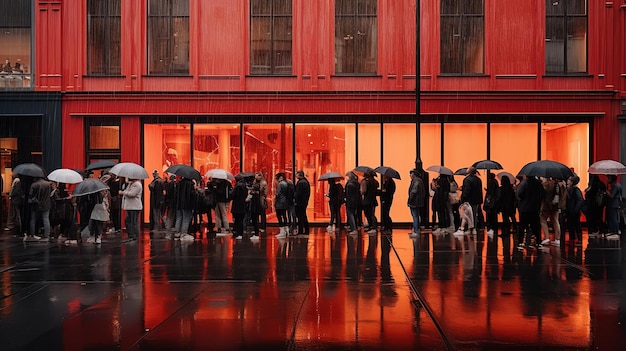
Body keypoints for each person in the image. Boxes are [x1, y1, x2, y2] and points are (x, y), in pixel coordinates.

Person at [516, 174, 543, 249]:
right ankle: (538, 242)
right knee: (536, 226)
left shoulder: (524, 183)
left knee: (522, 226)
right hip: (535, 208)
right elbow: (542, 194)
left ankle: (520, 242)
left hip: (524, 207)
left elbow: (519, 194)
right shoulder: (538, 184)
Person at [26, 176, 52, 241]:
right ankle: (47, 235)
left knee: (33, 219)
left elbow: (31, 194)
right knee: (46, 219)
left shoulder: (34, 185)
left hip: (36, 205)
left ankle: (32, 234)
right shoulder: (47, 184)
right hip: (46, 204)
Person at [539, 177, 562, 246]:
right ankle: (557, 239)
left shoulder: (544, 185)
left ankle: (546, 237)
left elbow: (542, 196)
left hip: (546, 206)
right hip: (555, 205)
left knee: (543, 220)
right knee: (555, 221)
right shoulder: (556, 184)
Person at [461, 167, 483, 234]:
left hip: (469, 200)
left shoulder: (467, 180)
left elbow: (467, 190)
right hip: (476, 200)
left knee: (467, 215)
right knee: (474, 214)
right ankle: (474, 229)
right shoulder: (478, 179)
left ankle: (469, 228)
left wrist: (463, 198)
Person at [173, 176, 196, 241]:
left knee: (179, 218)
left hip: (179, 204)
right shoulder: (190, 184)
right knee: (186, 218)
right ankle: (184, 233)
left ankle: (177, 233)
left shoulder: (179, 183)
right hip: (187, 204)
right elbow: (192, 195)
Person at [565, 175, 585, 245]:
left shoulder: (576, 190)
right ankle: (572, 238)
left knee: (576, 224)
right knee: (571, 225)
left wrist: (576, 209)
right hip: (570, 210)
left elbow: (580, 200)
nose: (568, 181)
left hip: (574, 211)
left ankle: (578, 239)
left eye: (569, 180)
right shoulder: (569, 189)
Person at [408, 168, 425, 237]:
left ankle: (415, 231)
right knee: (417, 216)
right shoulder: (420, 181)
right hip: (418, 202)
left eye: (411, 174)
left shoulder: (416, 181)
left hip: (414, 202)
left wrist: (410, 199)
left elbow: (413, 192)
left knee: (415, 216)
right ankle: (417, 230)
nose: (410, 175)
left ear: (414, 174)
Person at [148, 170, 166, 234]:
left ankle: (157, 227)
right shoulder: (161, 181)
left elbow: (153, 189)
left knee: (156, 214)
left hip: (156, 201)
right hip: (159, 201)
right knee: (160, 214)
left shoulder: (156, 182)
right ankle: (165, 226)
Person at [605, 174, 622, 239]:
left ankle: (615, 230)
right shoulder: (618, 185)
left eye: (608, 178)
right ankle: (614, 230)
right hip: (615, 204)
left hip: (613, 204)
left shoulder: (615, 186)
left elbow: (611, 196)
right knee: (613, 217)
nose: (607, 179)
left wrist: (607, 191)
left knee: (613, 217)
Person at [294, 170, 311, 235]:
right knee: (303, 215)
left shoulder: (301, 183)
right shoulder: (306, 182)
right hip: (304, 202)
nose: (296, 175)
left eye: (297, 174)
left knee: (301, 216)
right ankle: (306, 230)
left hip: (300, 202)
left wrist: (295, 200)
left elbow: (298, 193)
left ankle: (301, 230)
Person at [274, 172, 290, 238]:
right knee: (284, 215)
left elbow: (277, 194)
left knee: (279, 216)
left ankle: (282, 231)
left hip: (279, 202)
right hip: (285, 201)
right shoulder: (287, 183)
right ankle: (286, 229)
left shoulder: (280, 184)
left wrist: (275, 200)